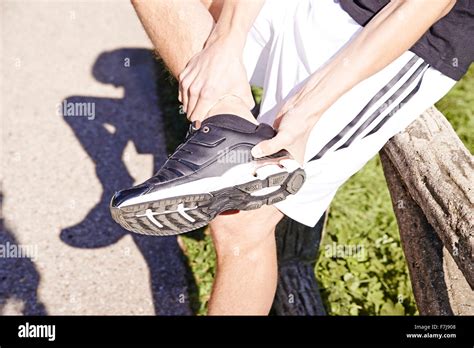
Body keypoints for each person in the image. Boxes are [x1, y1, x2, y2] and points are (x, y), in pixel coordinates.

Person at [110, 0, 473, 315]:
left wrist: (307, 108)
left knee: (241, 225)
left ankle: (233, 159)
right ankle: (228, 124)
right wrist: (226, 41)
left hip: (400, 38)